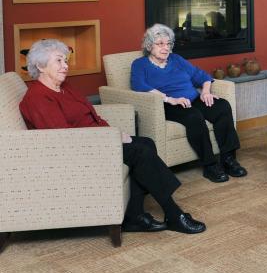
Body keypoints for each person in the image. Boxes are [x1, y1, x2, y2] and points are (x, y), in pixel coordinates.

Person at [19, 39, 205, 234]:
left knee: (146, 143)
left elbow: (92, 116)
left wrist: (113, 132)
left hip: (97, 140)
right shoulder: (38, 97)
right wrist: (111, 138)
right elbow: (64, 138)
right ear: (40, 65)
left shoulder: (65, 86)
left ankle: (135, 217)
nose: (65, 66)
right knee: (140, 151)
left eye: (66, 61)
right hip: (77, 152)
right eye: (59, 61)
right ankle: (174, 214)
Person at [131, 23, 247, 183]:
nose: (165, 48)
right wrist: (170, 99)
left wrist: (206, 92)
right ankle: (210, 165)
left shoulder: (176, 59)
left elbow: (202, 76)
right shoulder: (140, 64)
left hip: (193, 98)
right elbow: (139, 86)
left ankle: (228, 159)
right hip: (168, 104)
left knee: (222, 106)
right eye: (160, 44)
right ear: (149, 45)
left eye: (168, 44)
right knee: (194, 116)